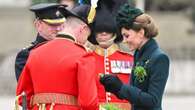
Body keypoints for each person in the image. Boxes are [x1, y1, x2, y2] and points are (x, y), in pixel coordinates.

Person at [15, 4, 98, 110]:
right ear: (83, 29)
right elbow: (89, 103)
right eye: (87, 36)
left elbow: (23, 97)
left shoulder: (35, 52)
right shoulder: (84, 55)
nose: (86, 41)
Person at [100, 3, 170, 110]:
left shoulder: (160, 58)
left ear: (141, 33)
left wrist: (121, 87)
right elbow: (135, 95)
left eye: (126, 35)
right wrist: (115, 87)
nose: (124, 41)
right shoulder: (138, 54)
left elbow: (153, 101)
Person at [87, 0, 134, 110]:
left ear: (115, 32)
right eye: (99, 31)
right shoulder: (86, 59)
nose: (103, 33)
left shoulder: (130, 59)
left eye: (108, 30)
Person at [15, 3, 67, 81]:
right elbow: (25, 89)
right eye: (53, 25)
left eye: (61, 24)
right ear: (38, 25)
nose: (58, 29)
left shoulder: (67, 49)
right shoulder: (26, 55)